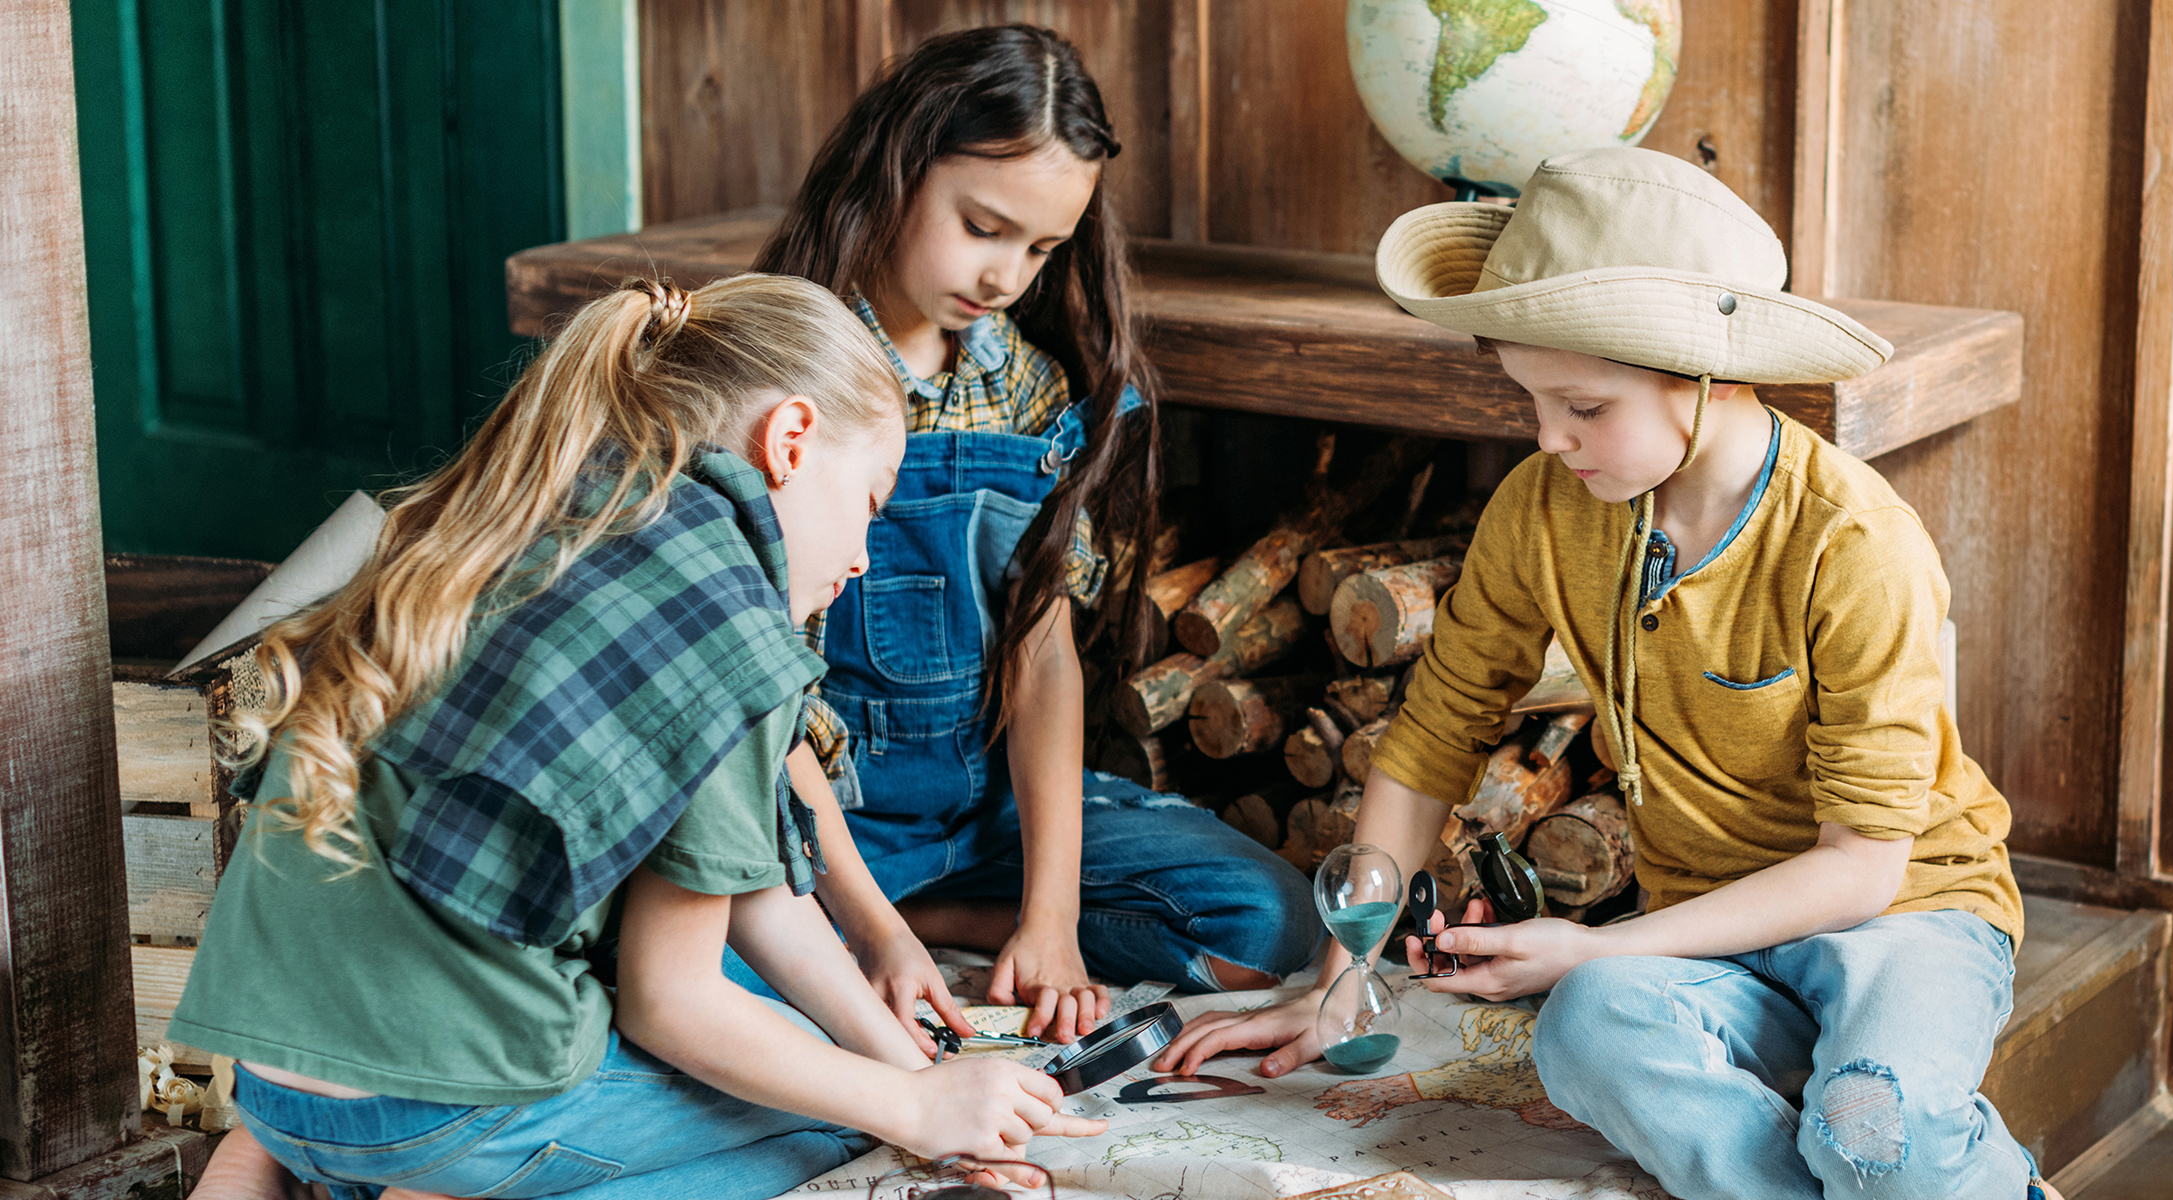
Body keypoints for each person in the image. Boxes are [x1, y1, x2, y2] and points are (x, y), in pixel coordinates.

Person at [1155, 147, 2060, 1200]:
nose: (1549, 439)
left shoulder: (1855, 541)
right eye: (1532, 402)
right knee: (1585, 1031)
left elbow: (1861, 868)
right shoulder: (1541, 510)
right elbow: (1435, 733)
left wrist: (1601, 943)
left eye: (1583, 408)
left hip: (1904, 919)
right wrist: (1341, 976)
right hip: (1711, 938)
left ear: (1703, 374)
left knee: (1869, 1125)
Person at [169, 274, 1101, 1200]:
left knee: (857, 1078)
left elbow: (757, 899)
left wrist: (917, 1073)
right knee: (838, 1115)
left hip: (277, 1086)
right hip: (432, 1113)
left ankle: (271, 1168)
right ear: (791, 440)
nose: (862, 557)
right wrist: (914, 1110)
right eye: (869, 502)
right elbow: (673, 1005)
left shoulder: (538, 509)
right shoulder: (725, 614)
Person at [750, 24, 1318, 1044]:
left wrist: (1052, 922)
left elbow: (1041, 653)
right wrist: (868, 931)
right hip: (807, 819)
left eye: (1042, 247)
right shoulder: (781, 368)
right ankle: (879, 926)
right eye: (982, 226)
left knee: (1269, 923)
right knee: (676, 974)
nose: (1007, 274)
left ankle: (955, 920)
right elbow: (755, 698)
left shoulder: (1026, 385)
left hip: (979, 822)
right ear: (900, 166)